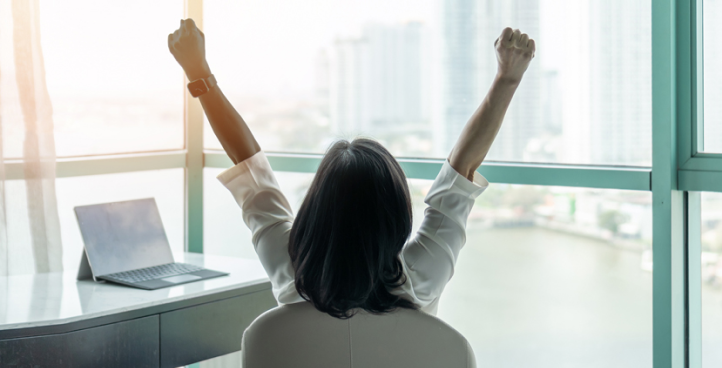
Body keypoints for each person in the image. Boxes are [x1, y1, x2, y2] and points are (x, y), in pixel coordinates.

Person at [168, 19, 535, 318]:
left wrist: (197, 70)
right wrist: (507, 79)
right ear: (395, 217)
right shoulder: (422, 277)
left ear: (316, 207)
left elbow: (248, 164)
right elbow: (460, 172)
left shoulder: (288, 266)